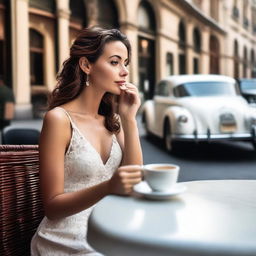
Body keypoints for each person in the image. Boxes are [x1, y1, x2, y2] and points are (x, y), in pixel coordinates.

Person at [31, 26, 143, 255]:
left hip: (111, 230)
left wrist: (129, 119)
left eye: (125, 63)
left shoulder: (114, 121)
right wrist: (109, 187)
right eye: (114, 62)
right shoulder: (59, 119)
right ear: (86, 65)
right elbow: (52, 207)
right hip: (66, 239)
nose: (124, 72)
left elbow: (134, 179)